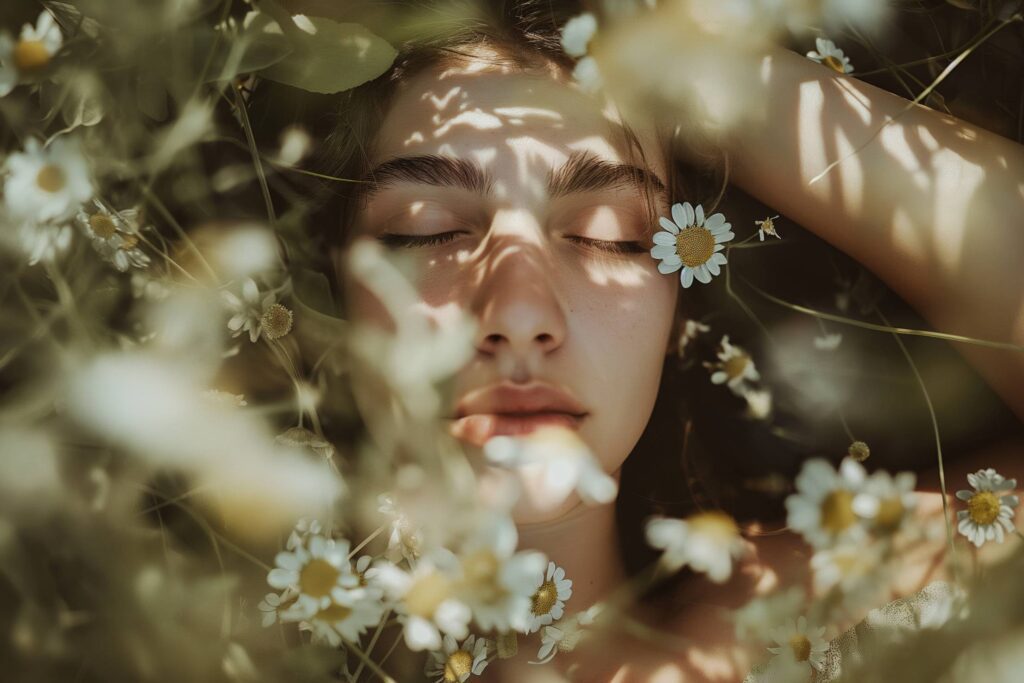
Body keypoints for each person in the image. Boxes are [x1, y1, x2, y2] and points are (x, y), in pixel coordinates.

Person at [302, 1, 1024, 680]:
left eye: (607, 236)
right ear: (327, 291)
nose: (520, 310)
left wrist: (699, 75)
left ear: (679, 297)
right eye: (429, 230)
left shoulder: (822, 609)